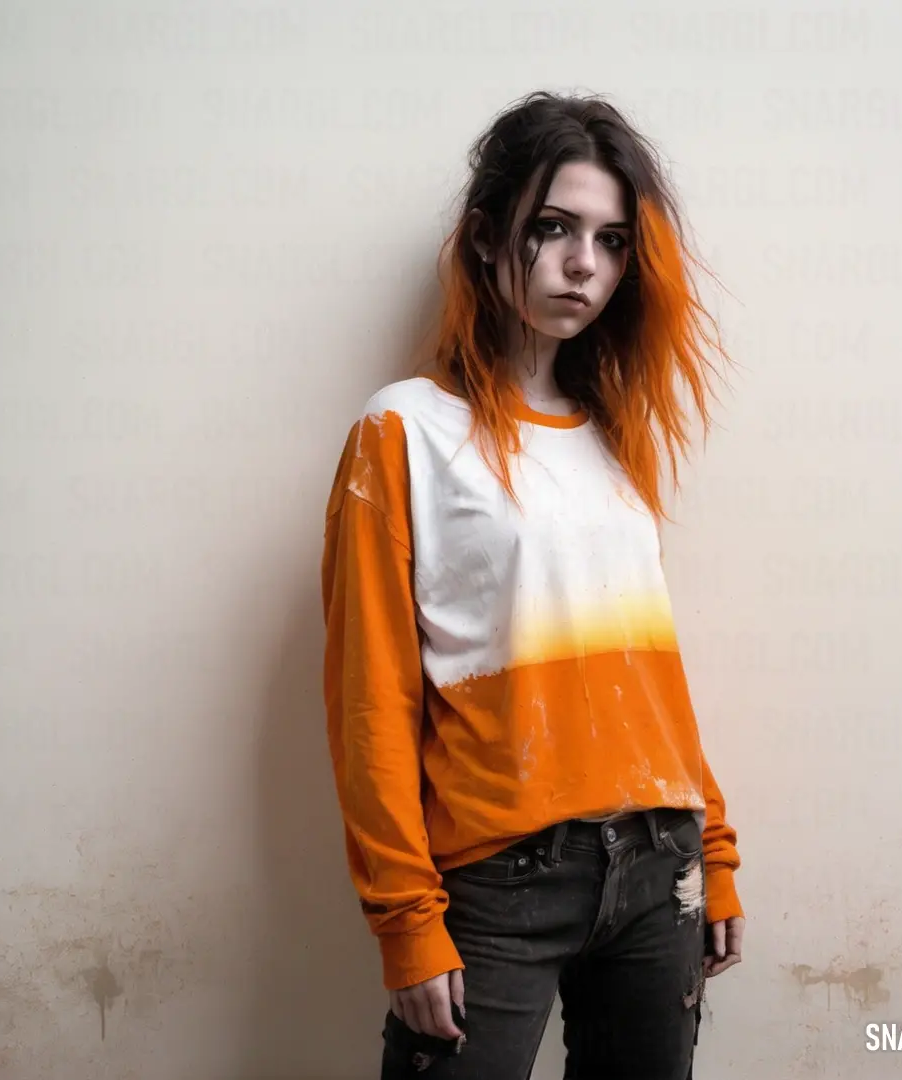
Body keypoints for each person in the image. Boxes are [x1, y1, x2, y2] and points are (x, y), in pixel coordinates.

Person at [320, 90, 745, 1080]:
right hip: (499, 884)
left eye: (609, 238)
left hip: (655, 871)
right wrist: (405, 923)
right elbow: (370, 699)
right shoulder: (405, 432)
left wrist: (713, 851)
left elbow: (650, 683)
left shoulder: (615, 445)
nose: (582, 263)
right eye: (550, 228)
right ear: (484, 238)